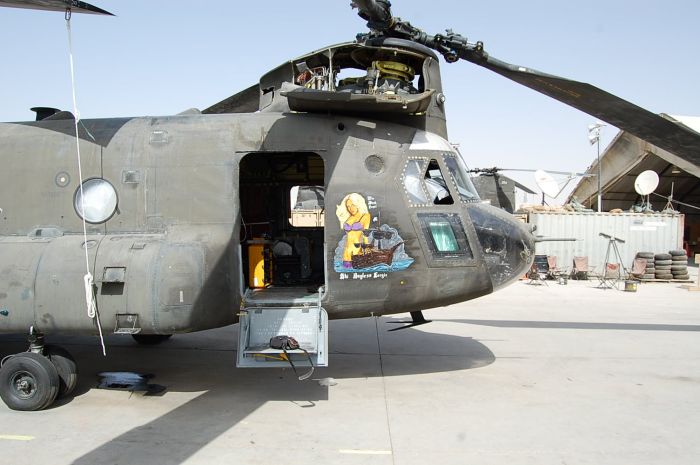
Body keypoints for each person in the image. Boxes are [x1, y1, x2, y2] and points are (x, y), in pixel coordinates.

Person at [336, 193, 371, 268]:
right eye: (348, 206)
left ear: (357, 203)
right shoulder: (349, 218)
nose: (350, 209)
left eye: (352, 205)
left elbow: (365, 235)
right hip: (346, 255)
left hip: (357, 254)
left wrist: (367, 248)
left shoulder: (365, 216)